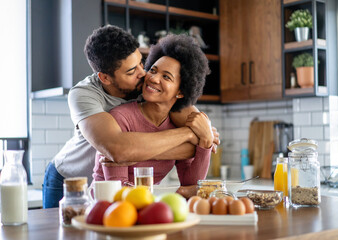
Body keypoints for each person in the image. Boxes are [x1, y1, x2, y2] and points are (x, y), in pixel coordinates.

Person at [42, 25, 220, 208]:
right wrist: (189, 136)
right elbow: (118, 151)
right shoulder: (84, 95)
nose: (144, 74)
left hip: (114, 190)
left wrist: (203, 134)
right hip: (68, 178)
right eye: (131, 71)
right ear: (105, 78)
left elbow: (196, 124)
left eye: (142, 63)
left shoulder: (147, 86)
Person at [92, 34, 212, 195]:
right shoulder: (121, 117)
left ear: (181, 92)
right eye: (153, 70)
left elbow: (192, 183)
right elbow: (118, 190)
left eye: (166, 77)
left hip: (146, 204)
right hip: (106, 207)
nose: (153, 79)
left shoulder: (177, 123)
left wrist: (206, 141)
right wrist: (173, 194)